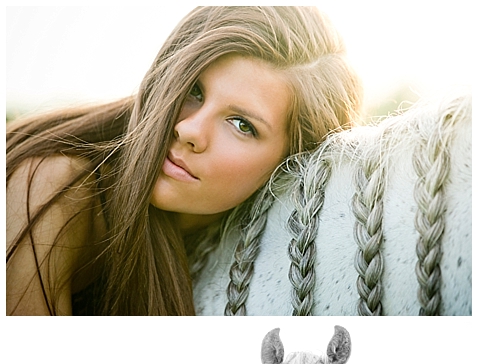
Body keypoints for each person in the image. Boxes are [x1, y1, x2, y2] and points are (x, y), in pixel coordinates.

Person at [6, 5, 362, 317]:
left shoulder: (266, 262)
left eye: (241, 125)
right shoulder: (54, 183)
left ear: (290, 164)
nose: (189, 130)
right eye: (194, 90)